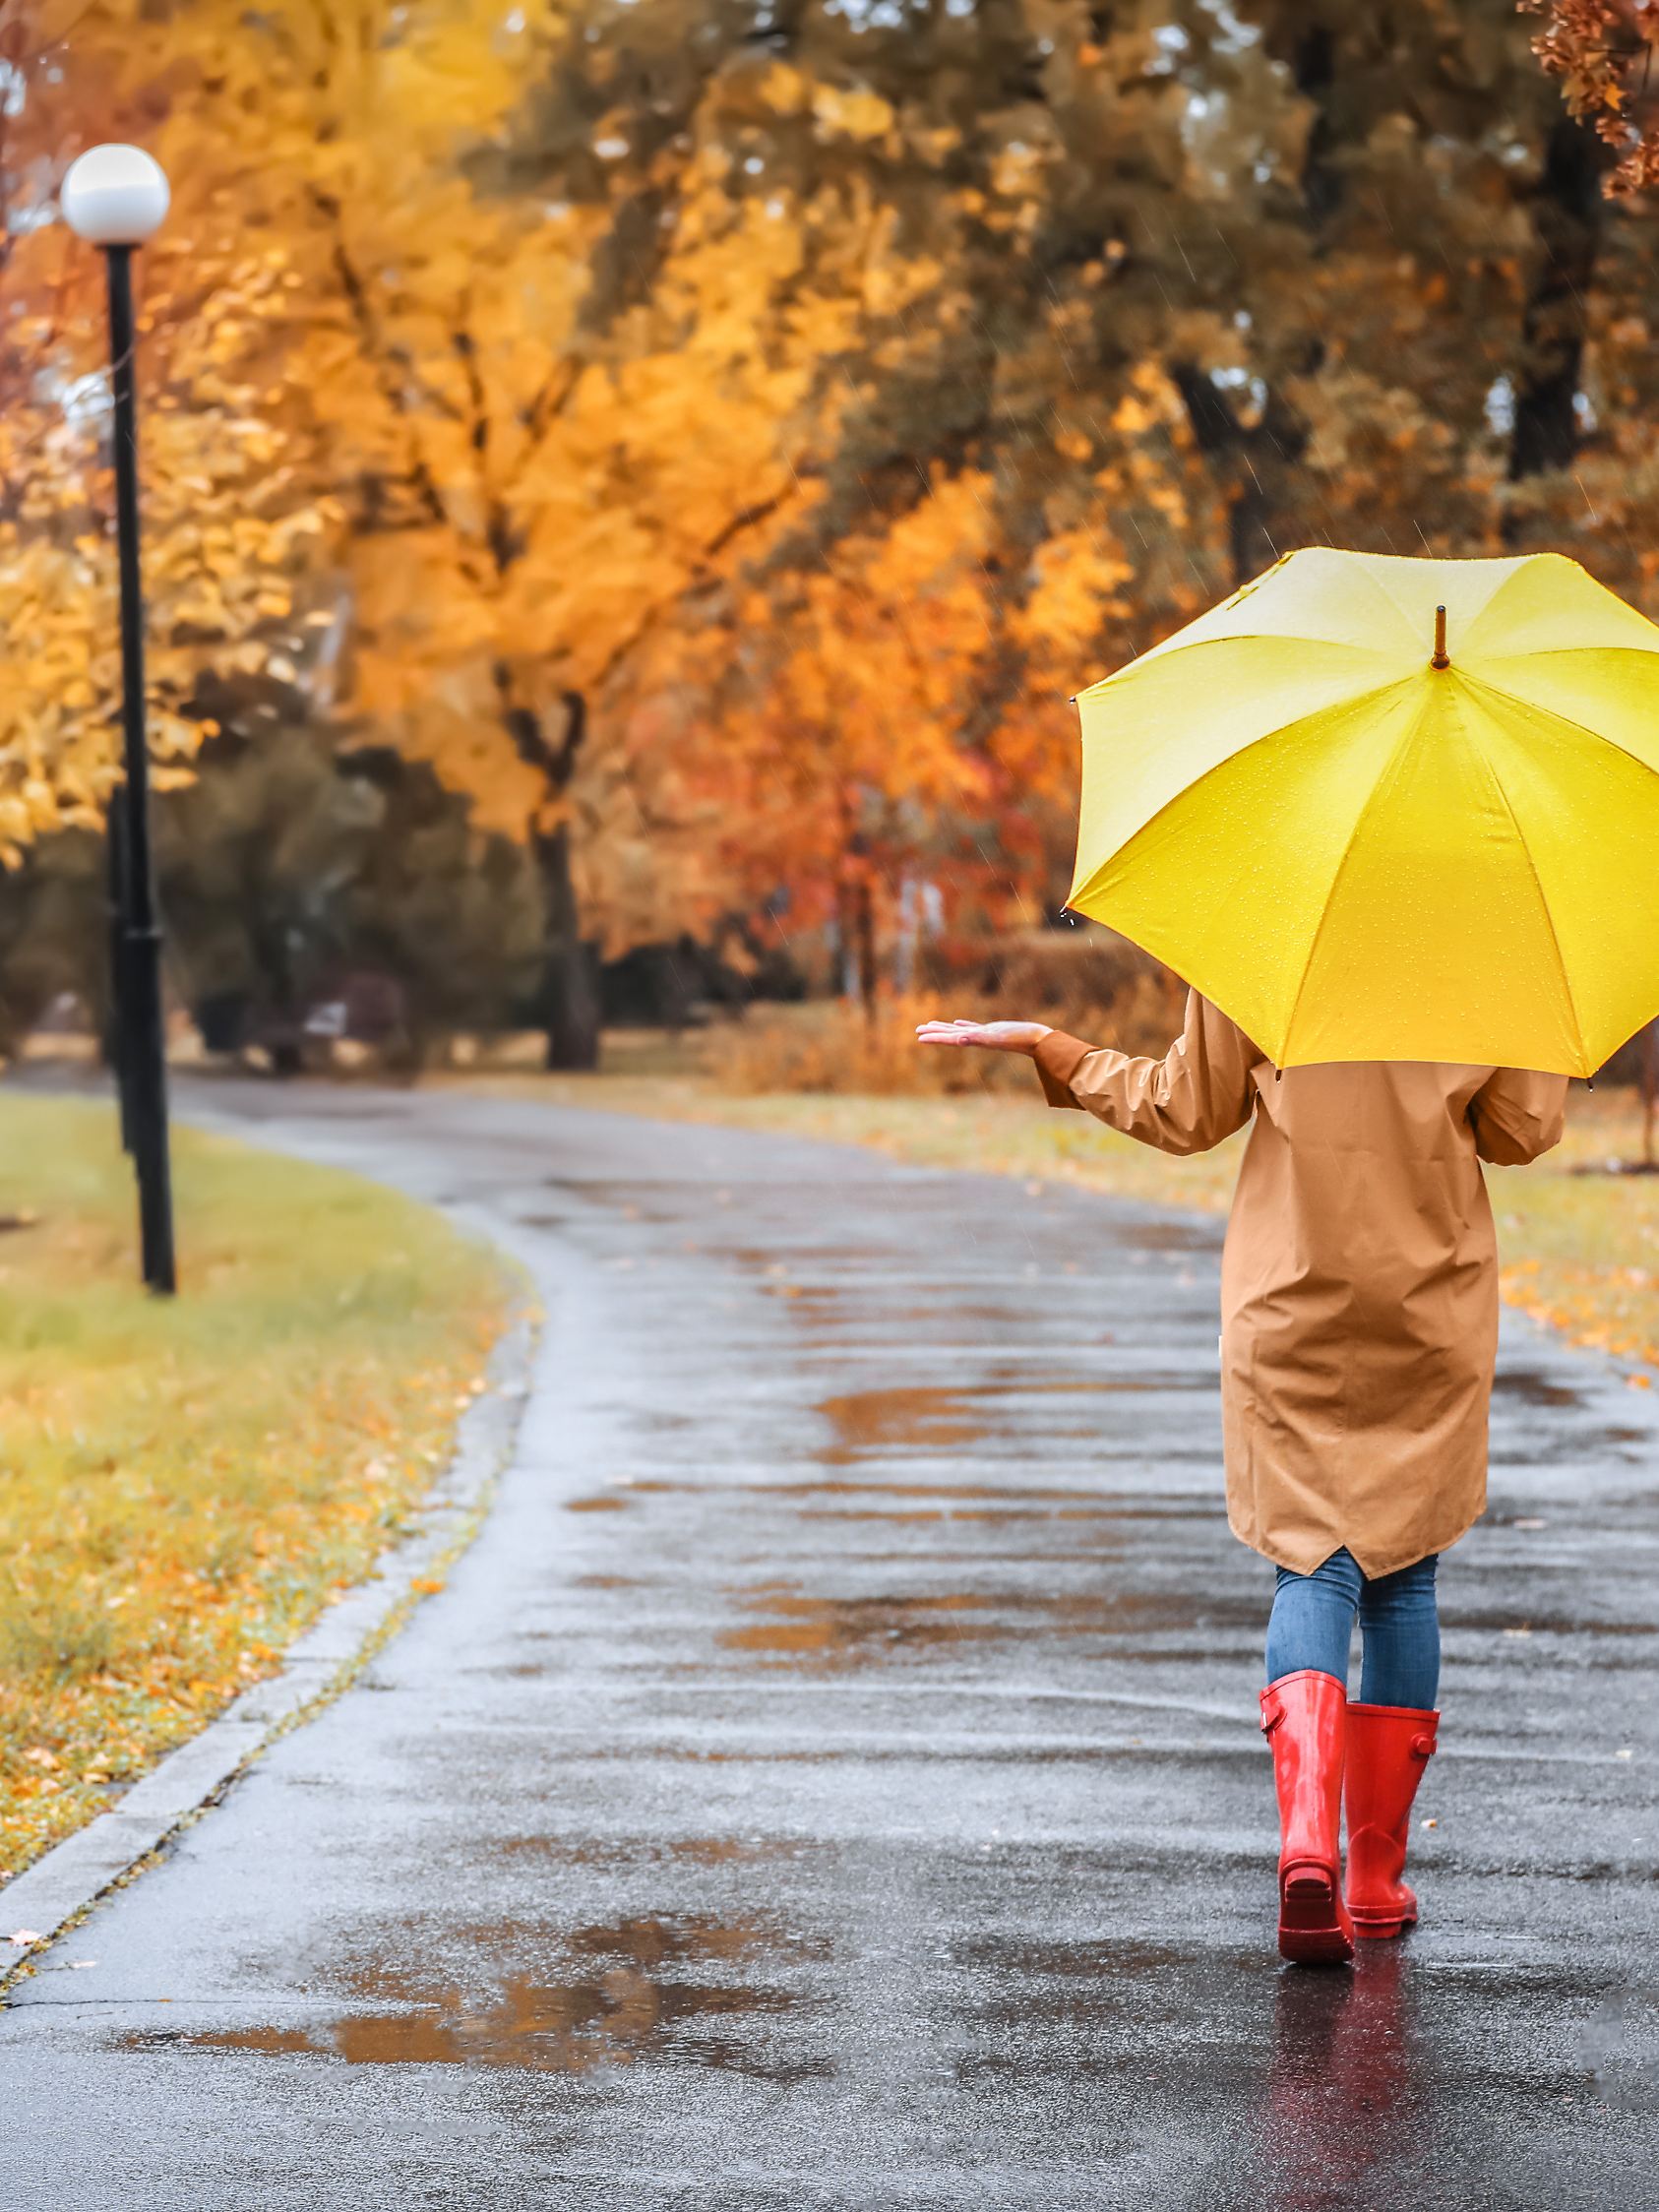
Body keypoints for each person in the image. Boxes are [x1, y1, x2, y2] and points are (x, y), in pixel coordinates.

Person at [917, 991, 1567, 1966]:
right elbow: (1521, 1130)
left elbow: (1184, 1109)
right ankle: (1377, 1882)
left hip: (1290, 1305)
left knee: (1312, 1565)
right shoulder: (1482, 946)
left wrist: (1056, 1048)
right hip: (1430, 1312)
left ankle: (1307, 1844)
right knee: (1405, 1576)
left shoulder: (1275, 926)